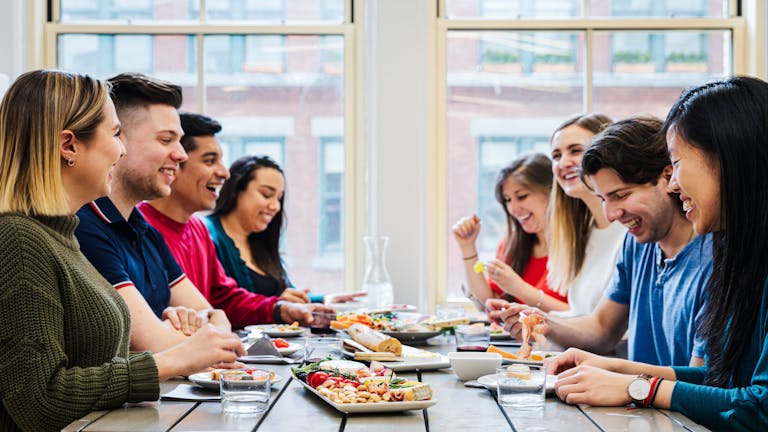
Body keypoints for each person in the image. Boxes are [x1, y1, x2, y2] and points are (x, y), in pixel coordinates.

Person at [0, 70, 244, 431]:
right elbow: (40, 399)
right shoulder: (19, 239)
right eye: (115, 134)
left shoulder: (62, 236)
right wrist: (173, 361)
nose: (122, 148)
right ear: (69, 146)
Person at [547, 76, 768, 432]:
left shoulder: (726, 257)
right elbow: (718, 378)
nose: (674, 183)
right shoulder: (741, 254)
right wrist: (617, 370)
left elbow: (760, 407)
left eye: (678, 163)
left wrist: (640, 387)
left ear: (727, 156)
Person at [492, 116, 709, 367]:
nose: (610, 214)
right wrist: (542, 321)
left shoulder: (712, 256)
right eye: (603, 199)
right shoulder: (636, 246)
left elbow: (699, 379)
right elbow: (602, 329)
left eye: (621, 195)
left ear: (668, 178)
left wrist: (614, 374)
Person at [75, 72, 232, 354]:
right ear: (117, 139)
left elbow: (217, 319)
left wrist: (186, 329)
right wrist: (186, 332)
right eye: (165, 140)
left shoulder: (145, 230)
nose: (181, 155)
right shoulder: (84, 226)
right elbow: (153, 344)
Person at [137, 112, 333, 329]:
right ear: (176, 161)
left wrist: (280, 309)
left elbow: (225, 299)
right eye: (210, 160)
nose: (224, 173)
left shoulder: (197, 228)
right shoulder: (140, 229)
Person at [204, 154, 366, 304]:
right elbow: (226, 305)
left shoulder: (260, 242)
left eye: (279, 198)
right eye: (266, 194)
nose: (275, 206)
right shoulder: (207, 235)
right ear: (236, 190)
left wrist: (323, 300)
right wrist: (276, 307)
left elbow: (287, 296)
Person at [453, 152, 567, 311]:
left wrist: (518, 287)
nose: (513, 209)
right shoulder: (512, 244)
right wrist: (467, 246)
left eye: (521, 196)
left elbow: (582, 319)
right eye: (507, 200)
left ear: (552, 192)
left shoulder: (578, 248)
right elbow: (489, 301)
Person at [548, 114, 626, 316]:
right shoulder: (587, 232)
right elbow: (582, 314)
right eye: (556, 155)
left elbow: (607, 330)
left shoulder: (630, 231)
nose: (563, 163)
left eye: (575, 151)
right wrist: (536, 318)